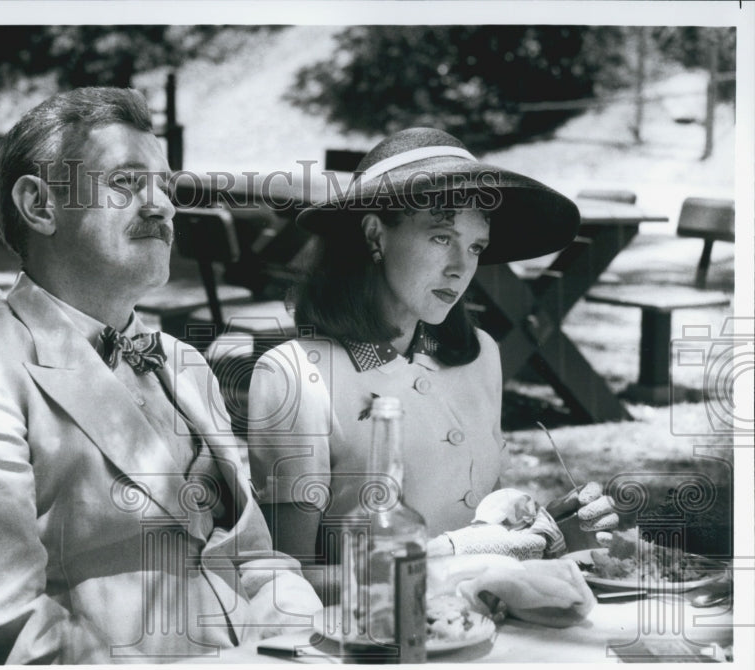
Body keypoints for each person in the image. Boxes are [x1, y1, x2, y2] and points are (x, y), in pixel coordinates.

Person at [0, 87, 320, 664]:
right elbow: (11, 635)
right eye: (125, 182)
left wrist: (301, 631)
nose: (164, 205)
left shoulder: (185, 363)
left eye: (165, 185)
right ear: (40, 206)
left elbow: (254, 559)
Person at [246, 128, 617, 598]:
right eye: (442, 237)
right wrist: (453, 555)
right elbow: (285, 583)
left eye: (477, 246)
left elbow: (485, 526)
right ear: (375, 234)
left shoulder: (481, 354)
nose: (461, 266)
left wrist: (547, 534)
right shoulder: (295, 377)